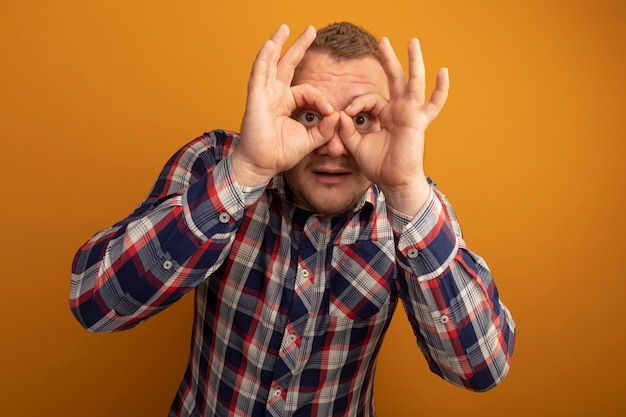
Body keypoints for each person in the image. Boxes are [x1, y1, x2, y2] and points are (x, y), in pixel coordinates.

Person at [70, 22, 515, 417]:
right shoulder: (215, 164)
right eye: (310, 115)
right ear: (279, 107)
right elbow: (95, 303)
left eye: (361, 119)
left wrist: (405, 191)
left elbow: (481, 369)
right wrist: (244, 172)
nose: (335, 147)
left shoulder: (413, 208)